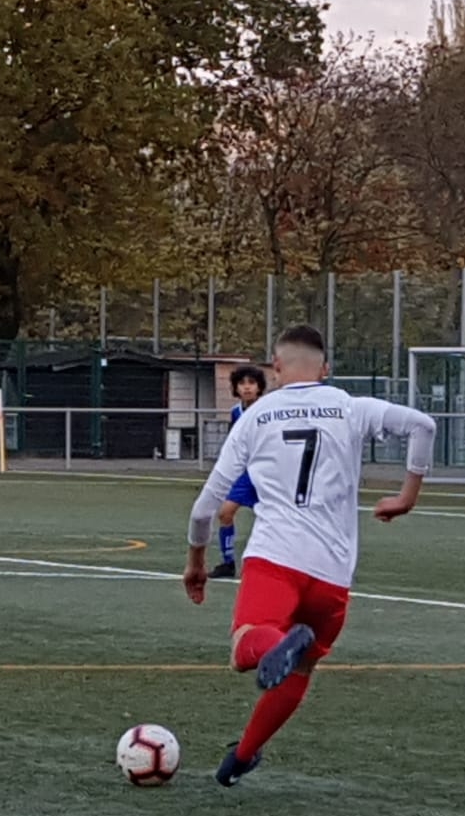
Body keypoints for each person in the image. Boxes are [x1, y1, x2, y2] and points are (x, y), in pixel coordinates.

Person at [184, 325, 437, 786]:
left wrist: (196, 562)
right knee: (301, 667)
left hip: (276, 559)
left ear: (275, 368)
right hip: (333, 573)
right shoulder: (350, 407)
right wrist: (407, 496)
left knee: (244, 648)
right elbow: (424, 425)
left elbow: (204, 509)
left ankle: (273, 646)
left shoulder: (256, 417)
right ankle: (241, 757)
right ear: (325, 369)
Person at [208, 364, 268, 580]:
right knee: (225, 513)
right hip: (246, 474)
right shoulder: (236, 412)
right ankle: (228, 563)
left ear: (260, 387)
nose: (247, 387)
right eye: (242, 383)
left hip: (268, 473)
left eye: (252, 383)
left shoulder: (268, 409)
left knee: (274, 519)